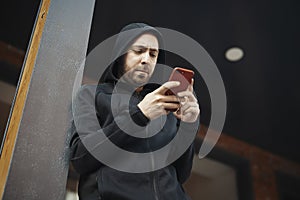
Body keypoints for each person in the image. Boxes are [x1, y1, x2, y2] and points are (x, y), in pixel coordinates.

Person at [70, 22, 200, 200]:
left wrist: (188, 126)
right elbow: (80, 158)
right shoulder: (92, 95)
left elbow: (181, 174)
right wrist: (139, 115)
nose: (146, 59)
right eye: (139, 51)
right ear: (121, 54)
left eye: (153, 54)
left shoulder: (164, 105)